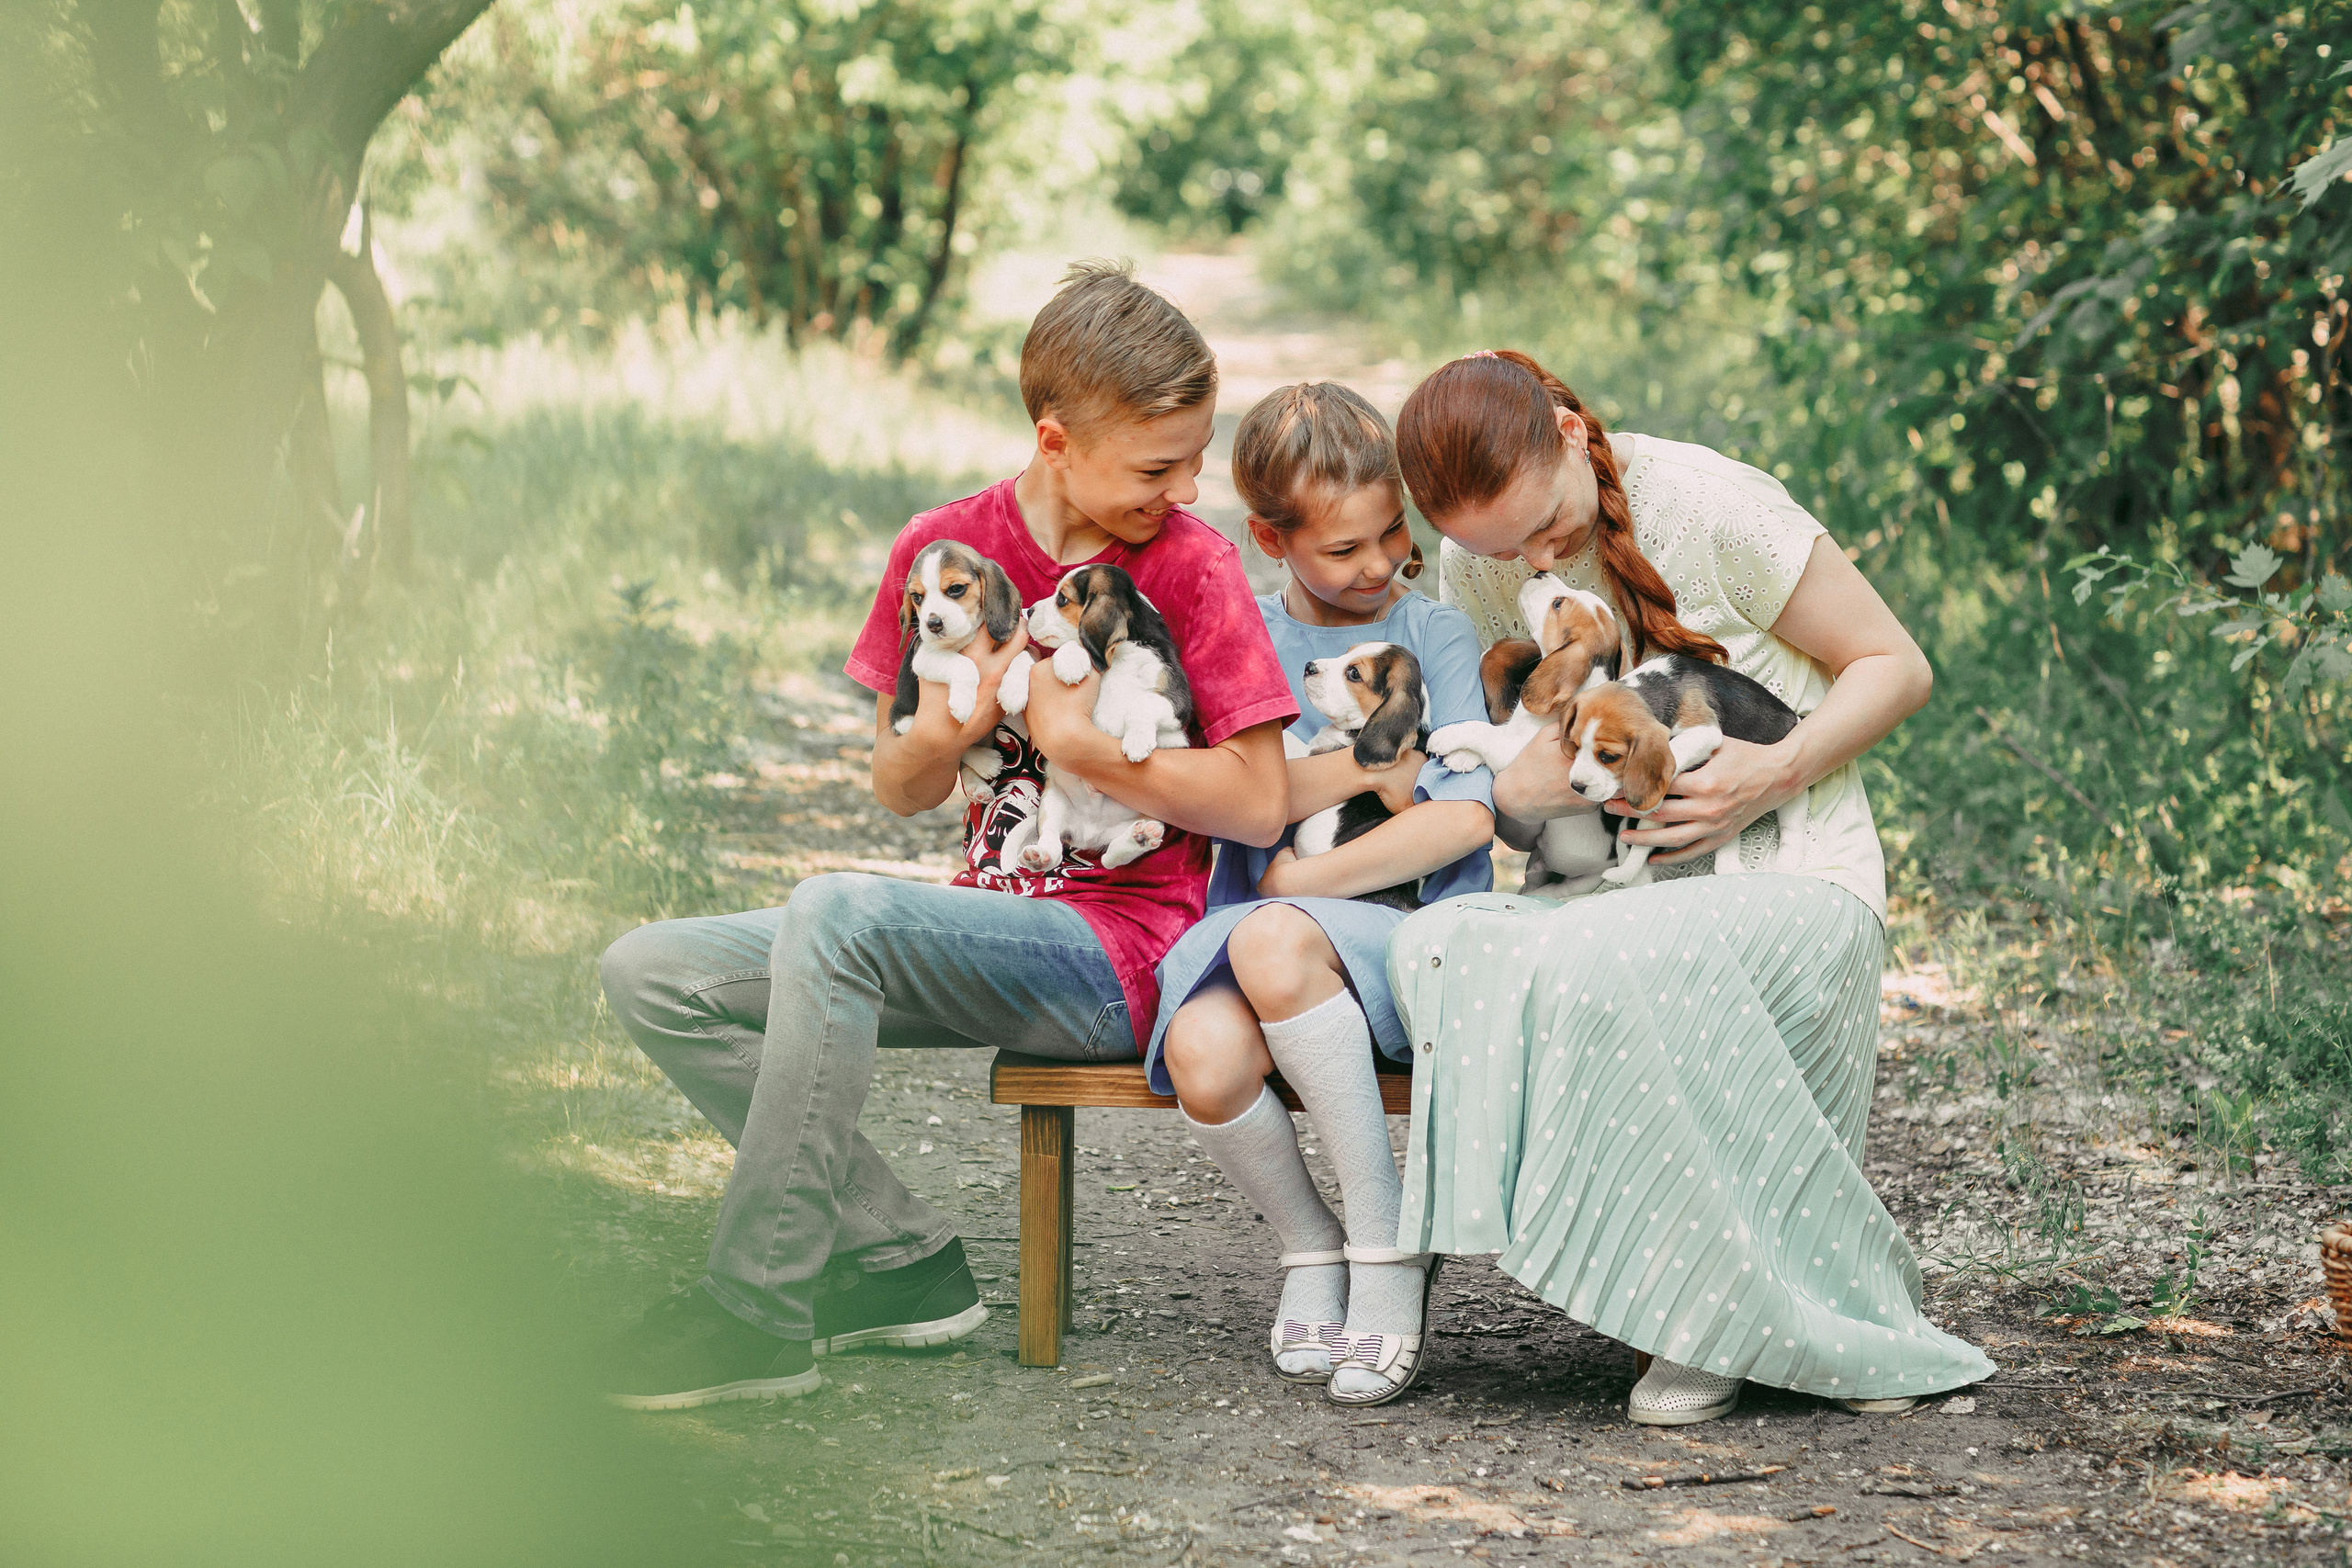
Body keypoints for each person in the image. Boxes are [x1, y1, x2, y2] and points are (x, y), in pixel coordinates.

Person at [596, 262, 1296, 1410]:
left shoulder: (1192, 564)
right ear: (1055, 437)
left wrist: (1081, 747)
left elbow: (1259, 802)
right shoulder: (943, 549)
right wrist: (945, 730)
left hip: (1122, 951)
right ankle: (898, 1263)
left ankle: (755, 1310)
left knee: (837, 911)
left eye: (1196, 457)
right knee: (652, 971)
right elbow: (900, 787)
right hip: (982, 926)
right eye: (1157, 464)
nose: (1185, 487)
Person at [1384, 349, 1994, 1426]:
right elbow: (1532, 777)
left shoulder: (1713, 507)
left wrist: (1773, 769)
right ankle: (1456, 1263)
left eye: (1543, 529)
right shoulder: (1476, 565)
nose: (1526, 560)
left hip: (1795, 880)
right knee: (1444, 943)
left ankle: (1708, 1312)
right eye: (1497, 548)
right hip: (1611, 884)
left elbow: (1896, 666)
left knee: (1601, 951)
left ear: (1571, 432)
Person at [1148, 383, 1496, 1406]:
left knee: (1272, 935)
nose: (1381, 565)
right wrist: (1377, 764)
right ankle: (1313, 1248)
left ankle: (1386, 1250)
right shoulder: (1235, 634)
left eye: (1393, 534)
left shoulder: (1431, 633)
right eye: (1345, 551)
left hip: (1408, 933)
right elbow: (1240, 805)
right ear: (1268, 538)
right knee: (1203, 1056)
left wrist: (1295, 875)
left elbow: (1463, 819)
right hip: (1261, 938)